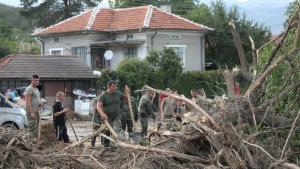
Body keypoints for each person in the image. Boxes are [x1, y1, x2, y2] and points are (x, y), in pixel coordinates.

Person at [97, 80, 129, 151]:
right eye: (113, 86)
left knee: (115, 131)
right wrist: (102, 114)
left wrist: (127, 94)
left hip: (116, 118)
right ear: (109, 87)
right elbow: (99, 106)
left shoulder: (118, 94)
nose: (115, 88)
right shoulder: (103, 95)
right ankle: (106, 147)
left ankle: (113, 146)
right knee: (106, 133)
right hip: (107, 119)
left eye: (115, 86)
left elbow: (125, 99)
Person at [25, 75, 43, 139]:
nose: (37, 82)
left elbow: (38, 98)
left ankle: (35, 143)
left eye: (38, 80)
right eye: (35, 80)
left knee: (37, 128)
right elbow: (28, 101)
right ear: (32, 80)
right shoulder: (29, 88)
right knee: (33, 129)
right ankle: (32, 145)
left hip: (37, 112)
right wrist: (32, 112)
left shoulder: (37, 89)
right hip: (31, 113)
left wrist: (40, 103)